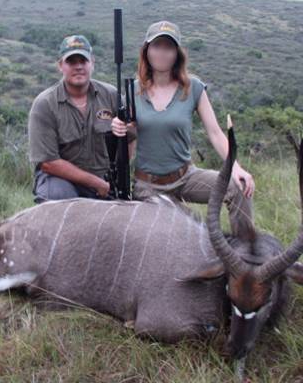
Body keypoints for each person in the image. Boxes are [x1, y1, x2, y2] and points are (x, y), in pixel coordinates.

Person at [111, 21, 255, 235]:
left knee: (238, 187)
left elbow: (215, 133)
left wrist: (235, 168)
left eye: (168, 47)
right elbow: (129, 143)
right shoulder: (133, 91)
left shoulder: (193, 87)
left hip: (186, 177)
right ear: (147, 51)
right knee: (177, 233)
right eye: (156, 46)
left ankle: (245, 250)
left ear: (177, 53)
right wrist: (121, 128)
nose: (162, 53)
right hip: (149, 186)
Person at [28, 35, 122, 203]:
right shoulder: (45, 104)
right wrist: (96, 183)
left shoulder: (111, 95)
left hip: (104, 180)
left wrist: (120, 171)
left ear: (92, 63)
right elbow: (48, 163)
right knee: (57, 194)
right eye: (71, 62)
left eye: (83, 61)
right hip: (61, 179)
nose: (78, 67)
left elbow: (131, 136)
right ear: (60, 65)